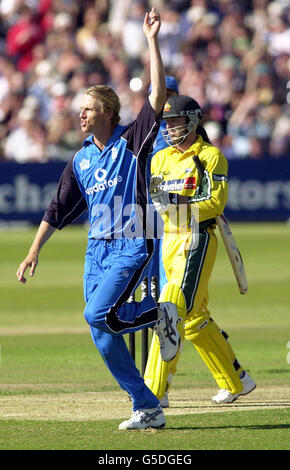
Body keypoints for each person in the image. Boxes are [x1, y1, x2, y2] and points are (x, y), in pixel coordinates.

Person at [16, 7, 181, 431]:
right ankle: (146, 405)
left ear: (108, 111)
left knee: (95, 315)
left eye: (88, 109)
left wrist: (152, 42)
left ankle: (154, 314)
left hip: (132, 242)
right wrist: (34, 251)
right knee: (101, 330)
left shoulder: (133, 139)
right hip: (96, 250)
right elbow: (57, 208)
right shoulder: (81, 158)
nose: (81, 115)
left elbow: (158, 98)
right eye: (80, 109)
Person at [144, 94, 256, 407]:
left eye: (176, 121)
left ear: (192, 121)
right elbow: (157, 201)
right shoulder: (160, 158)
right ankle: (236, 380)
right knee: (193, 318)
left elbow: (214, 204)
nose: (169, 128)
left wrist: (178, 201)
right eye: (166, 123)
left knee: (170, 310)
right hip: (170, 239)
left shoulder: (210, 156)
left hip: (197, 240)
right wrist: (170, 203)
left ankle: (153, 393)